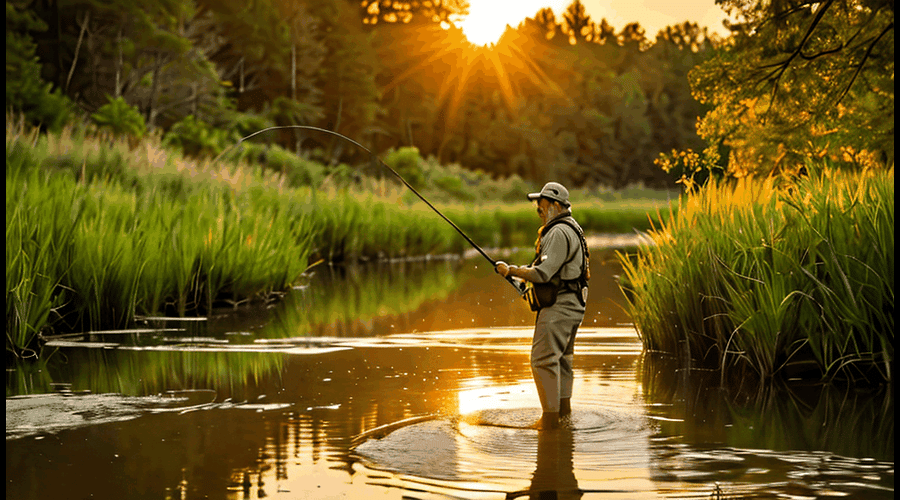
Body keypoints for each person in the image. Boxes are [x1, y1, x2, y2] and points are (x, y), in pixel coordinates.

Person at [495, 182, 589, 430]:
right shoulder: (573, 227)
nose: (538, 210)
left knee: (542, 360)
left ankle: (549, 422)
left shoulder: (558, 232)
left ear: (556, 206)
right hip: (575, 304)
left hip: (561, 306)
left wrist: (511, 270)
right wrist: (517, 275)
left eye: (542, 206)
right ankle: (563, 416)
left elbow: (544, 273)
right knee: (563, 359)